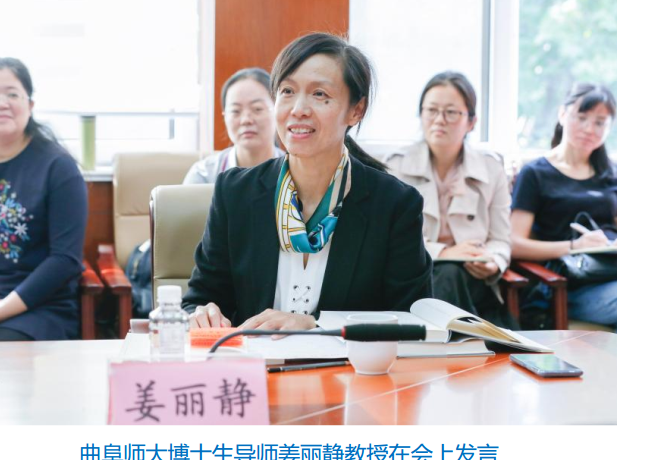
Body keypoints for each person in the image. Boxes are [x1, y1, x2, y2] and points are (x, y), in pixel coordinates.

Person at [183, 32, 432, 330]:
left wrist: (317, 326)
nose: (298, 109)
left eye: (319, 94)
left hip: (345, 361)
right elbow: (199, 299)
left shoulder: (394, 204)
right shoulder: (235, 193)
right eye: (287, 91)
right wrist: (203, 313)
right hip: (253, 357)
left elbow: (412, 321)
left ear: (356, 110)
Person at [0, 58, 88, 341]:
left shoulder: (58, 168)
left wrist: (0, 309)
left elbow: (65, 260)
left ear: (30, 105)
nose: (0, 103)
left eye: (12, 94)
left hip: (34, 310)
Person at [386, 71, 515, 328]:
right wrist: (445, 252)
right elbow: (387, 240)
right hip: (416, 277)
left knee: (453, 274)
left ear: (471, 121)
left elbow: (501, 239)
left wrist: (493, 261)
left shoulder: (491, 168)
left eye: (451, 112)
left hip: (473, 280)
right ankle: (471, 338)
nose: (439, 120)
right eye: (431, 110)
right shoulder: (397, 166)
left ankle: (452, 342)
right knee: (448, 272)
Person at [511, 83, 617, 329]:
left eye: (600, 122)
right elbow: (514, 244)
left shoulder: (611, 174)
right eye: (581, 118)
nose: (589, 129)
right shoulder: (535, 173)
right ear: (562, 114)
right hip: (571, 283)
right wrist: (574, 246)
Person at [183, 67, 284, 184]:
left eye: (257, 109)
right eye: (235, 111)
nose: (246, 120)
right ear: (225, 116)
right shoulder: (204, 175)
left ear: (277, 111)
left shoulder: (295, 172)